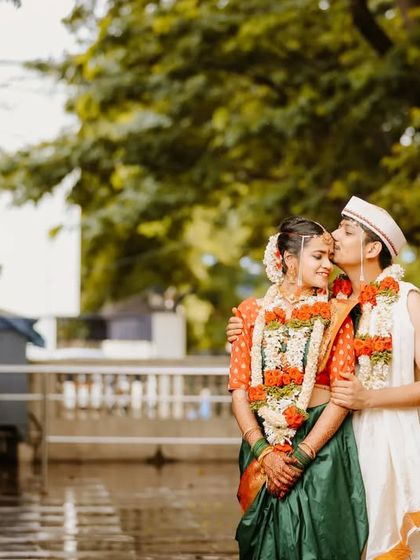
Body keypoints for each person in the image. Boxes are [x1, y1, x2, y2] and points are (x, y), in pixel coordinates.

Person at [227, 197, 420, 560]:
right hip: (340, 442)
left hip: (381, 443)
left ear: (373, 248)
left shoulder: (406, 302)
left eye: (345, 231)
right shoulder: (333, 301)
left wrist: (367, 400)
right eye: (319, 252)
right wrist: (241, 327)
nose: (332, 238)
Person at [229, 216, 368, 560]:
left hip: (321, 446)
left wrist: (302, 454)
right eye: (317, 257)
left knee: (319, 543)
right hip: (264, 444)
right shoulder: (251, 313)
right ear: (290, 260)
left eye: (329, 257)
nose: (327, 265)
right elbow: (239, 390)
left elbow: (341, 392)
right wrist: (264, 452)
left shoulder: (337, 313)